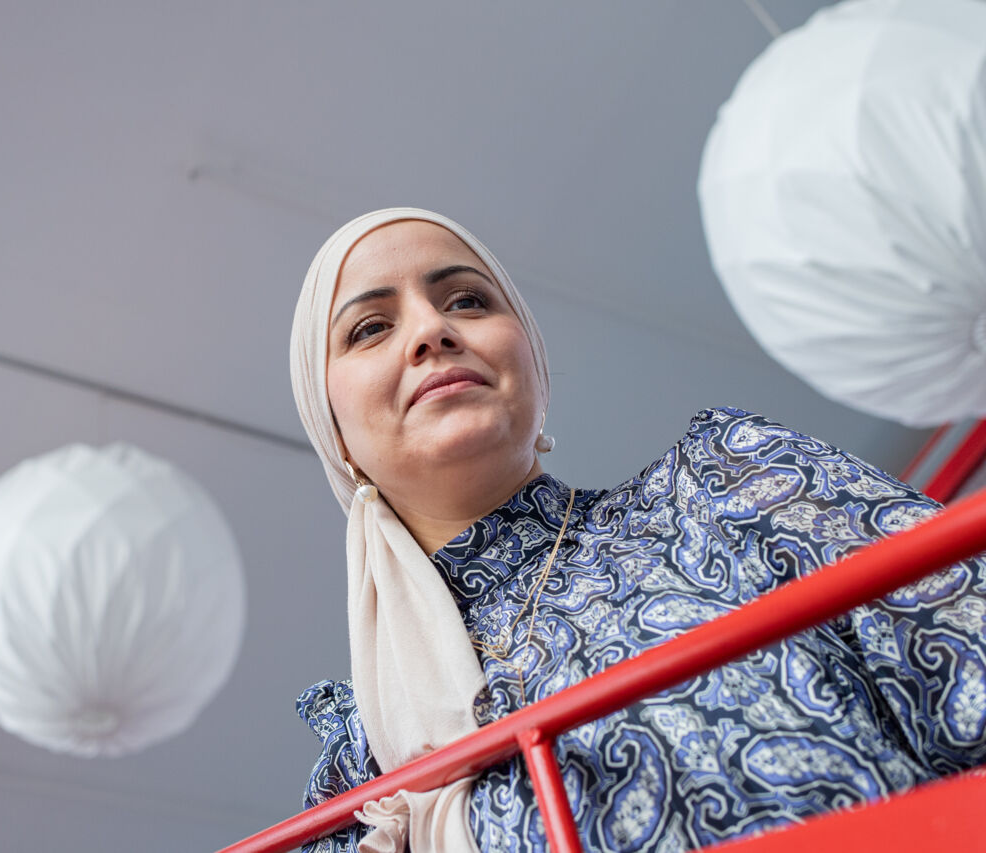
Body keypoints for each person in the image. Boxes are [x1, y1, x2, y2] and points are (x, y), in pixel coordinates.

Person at [288, 207, 986, 853]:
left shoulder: (733, 485)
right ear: (332, 431)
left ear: (529, 358)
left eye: (467, 300)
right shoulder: (365, 766)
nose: (431, 331)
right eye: (370, 327)